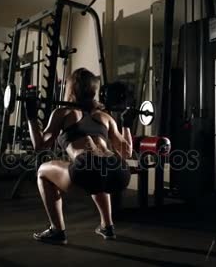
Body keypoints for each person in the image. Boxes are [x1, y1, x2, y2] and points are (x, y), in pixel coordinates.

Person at [24, 68, 134, 245]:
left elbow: (39, 146)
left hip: (86, 168)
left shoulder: (63, 113)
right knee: (98, 172)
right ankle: (107, 226)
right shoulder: (105, 116)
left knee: (43, 171)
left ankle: (57, 230)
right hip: (119, 171)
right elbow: (127, 152)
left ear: (71, 90)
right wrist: (127, 124)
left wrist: (31, 116)